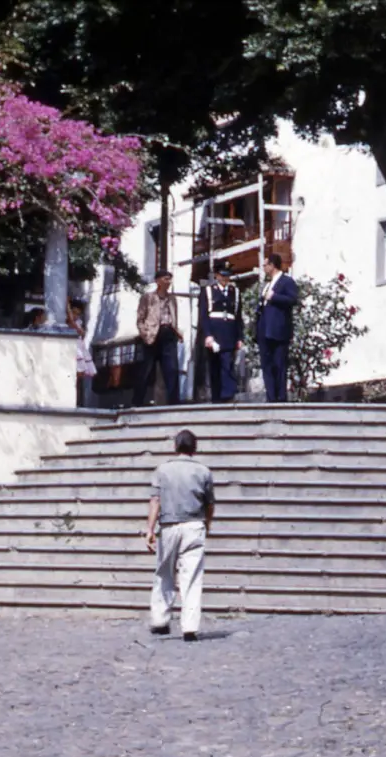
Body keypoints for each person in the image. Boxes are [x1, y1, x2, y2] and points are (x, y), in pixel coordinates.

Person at [142, 429, 215, 641]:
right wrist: (207, 524)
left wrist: (149, 529)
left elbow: (155, 500)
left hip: (169, 525)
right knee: (191, 577)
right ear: (195, 447)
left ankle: (160, 619)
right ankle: (189, 627)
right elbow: (210, 504)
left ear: (175, 446)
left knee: (164, 573)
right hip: (194, 524)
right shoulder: (203, 471)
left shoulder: (162, 470)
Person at [255, 252, 298, 402]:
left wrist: (274, 297)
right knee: (267, 365)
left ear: (272, 265)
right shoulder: (268, 284)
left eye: (265, 265)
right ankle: (271, 397)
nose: (263, 268)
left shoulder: (286, 281)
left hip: (278, 330)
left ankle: (280, 398)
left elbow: (292, 299)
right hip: (264, 330)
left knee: (279, 364)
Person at [133, 270, 181, 407]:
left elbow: (174, 316)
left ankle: (174, 402)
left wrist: (176, 332)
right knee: (146, 370)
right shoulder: (148, 298)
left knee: (172, 369)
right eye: (166, 279)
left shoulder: (172, 299)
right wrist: (145, 334)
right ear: (158, 281)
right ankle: (137, 402)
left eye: (170, 279)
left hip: (168, 333)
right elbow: (140, 319)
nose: (168, 282)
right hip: (152, 335)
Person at [200, 263, 243, 403]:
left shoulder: (234, 292)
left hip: (229, 334)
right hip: (214, 333)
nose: (225, 279)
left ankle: (228, 395)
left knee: (227, 364)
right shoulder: (208, 291)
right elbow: (204, 316)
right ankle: (216, 398)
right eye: (222, 275)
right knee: (215, 367)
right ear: (217, 276)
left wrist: (240, 337)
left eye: (227, 276)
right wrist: (208, 335)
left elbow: (238, 317)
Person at [70, 299, 98, 407]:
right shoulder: (68, 322)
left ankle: (78, 403)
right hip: (72, 350)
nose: (75, 316)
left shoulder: (78, 323)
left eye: (78, 314)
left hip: (79, 350)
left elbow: (81, 333)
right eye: (73, 312)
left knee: (79, 378)